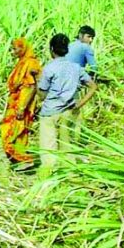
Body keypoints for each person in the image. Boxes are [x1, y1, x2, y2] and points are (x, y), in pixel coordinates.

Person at [36, 34, 98, 176]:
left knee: (48, 149)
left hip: (50, 113)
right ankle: (69, 177)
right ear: (67, 49)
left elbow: (42, 95)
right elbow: (93, 86)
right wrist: (79, 104)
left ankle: (48, 178)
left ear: (52, 50)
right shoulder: (75, 68)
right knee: (67, 146)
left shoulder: (49, 68)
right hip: (68, 111)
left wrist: (35, 83)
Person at [0, 38, 42, 167]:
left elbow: (30, 87)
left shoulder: (31, 63)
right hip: (14, 104)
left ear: (23, 48)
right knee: (10, 132)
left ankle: (24, 161)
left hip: (21, 105)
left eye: (15, 49)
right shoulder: (21, 63)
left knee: (15, 132)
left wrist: (22, 107)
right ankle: (17, 161)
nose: (12, 52)